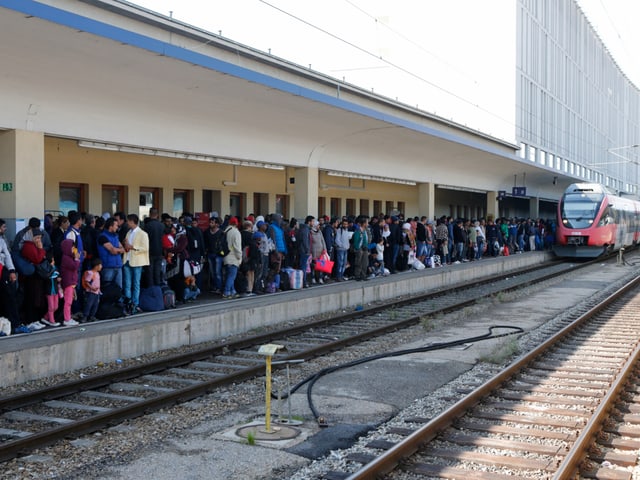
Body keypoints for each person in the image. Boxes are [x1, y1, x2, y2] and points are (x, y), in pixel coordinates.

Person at [122, 214, 150, 314]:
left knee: (136, 284)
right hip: (127, 260)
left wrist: (132, 247)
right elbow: (126, 245)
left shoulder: (143, 234)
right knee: (127, 284)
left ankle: (135, 304)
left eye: (128, 221)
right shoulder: (128, 233)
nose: (127, 223)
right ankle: (128, 303)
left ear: (132, 221)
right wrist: (126, 245)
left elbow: (145, 248)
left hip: (137, 261)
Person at [0, 219, 20, 332]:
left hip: (3, 270)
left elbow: (7, 255)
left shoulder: (2, 240)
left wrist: (12, 270)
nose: (5, 229)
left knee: (9, 297)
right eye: (3, 227)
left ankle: (13, 323)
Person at [97, 217, 125, 288]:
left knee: (119, 289)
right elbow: (113, 251)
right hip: (108, 267)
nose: (117, 227)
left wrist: (117, 250)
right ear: (110, 226)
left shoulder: (116, 236)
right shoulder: (102, 237)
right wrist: (118, 250)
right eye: (116, 225)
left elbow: (123, 249)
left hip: (118, 266)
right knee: (107, 289)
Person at [60, 238, 81, 326]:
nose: (74, 250)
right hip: (68, 282)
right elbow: (74, 266)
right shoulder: (66, 258)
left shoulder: (69, 257)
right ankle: (67, 319)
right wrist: (76, 259)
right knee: (68, 302)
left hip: (71, 282)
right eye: (72, 248)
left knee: (70, 301)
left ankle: (68, 317)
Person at [144, 207, 166, 287]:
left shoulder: (147, 226)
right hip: (159, 251)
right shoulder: (162, 226)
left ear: (150, 214)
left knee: (149, 273)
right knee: (157, 272)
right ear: (157, 215)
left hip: (149, 252)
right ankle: (158, 291)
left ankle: (151, 290)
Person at [222, 217, 242, 299]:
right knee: (231, 276)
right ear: (236, 223)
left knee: (229, 275)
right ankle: (226, 292)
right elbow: (237, 247)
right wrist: (239, 257)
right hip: (233, 257)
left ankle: (233, 291)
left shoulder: (226, 231)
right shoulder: (236, 232)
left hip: (226, 256)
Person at [203, 216, 224, 294]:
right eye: (210, 222)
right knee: (212, 272)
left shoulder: (221, 233)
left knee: (218, 271)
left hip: (218, 254)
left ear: (217, 224)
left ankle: (219, 287)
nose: (210, 224)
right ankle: (215, 286)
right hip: (210, 253)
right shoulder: (207, 232)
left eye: (212, 223)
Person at [81, 257, 102, 322]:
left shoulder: (97, 274)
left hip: (96, 292)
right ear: (96, 266)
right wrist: (92, 288)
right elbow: (87, 282)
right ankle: (85, 316)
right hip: (91, 292)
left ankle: (92, 316)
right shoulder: (91, 273)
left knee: (95, 305)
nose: (101, 267)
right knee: (89, 304)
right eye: (100, 265)